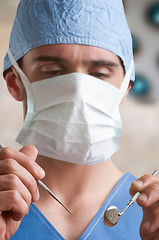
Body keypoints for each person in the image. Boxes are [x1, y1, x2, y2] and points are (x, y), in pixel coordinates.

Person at [0, 0, 159, 239]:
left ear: (125, 87)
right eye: (53, 71)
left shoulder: (151, 215)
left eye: (99, 75)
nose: (78, 91)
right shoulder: (5, 205)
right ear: (15, 82)